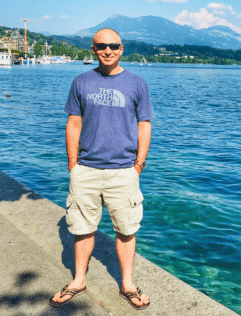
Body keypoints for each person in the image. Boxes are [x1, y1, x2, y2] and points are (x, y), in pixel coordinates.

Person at [50, 28, 153, 310]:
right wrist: (73, 166)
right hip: (86, 169)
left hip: (124, 171)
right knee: (82, 229)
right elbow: (73, 124)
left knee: (126, 230)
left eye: (114, 46)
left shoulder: (137, 83)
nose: (108, 50)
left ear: (122, 49)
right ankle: (79, 280)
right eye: (102, 46)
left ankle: (127, 284)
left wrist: (138, 166)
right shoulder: (81, 81)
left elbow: (144, 126)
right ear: (93, 50)